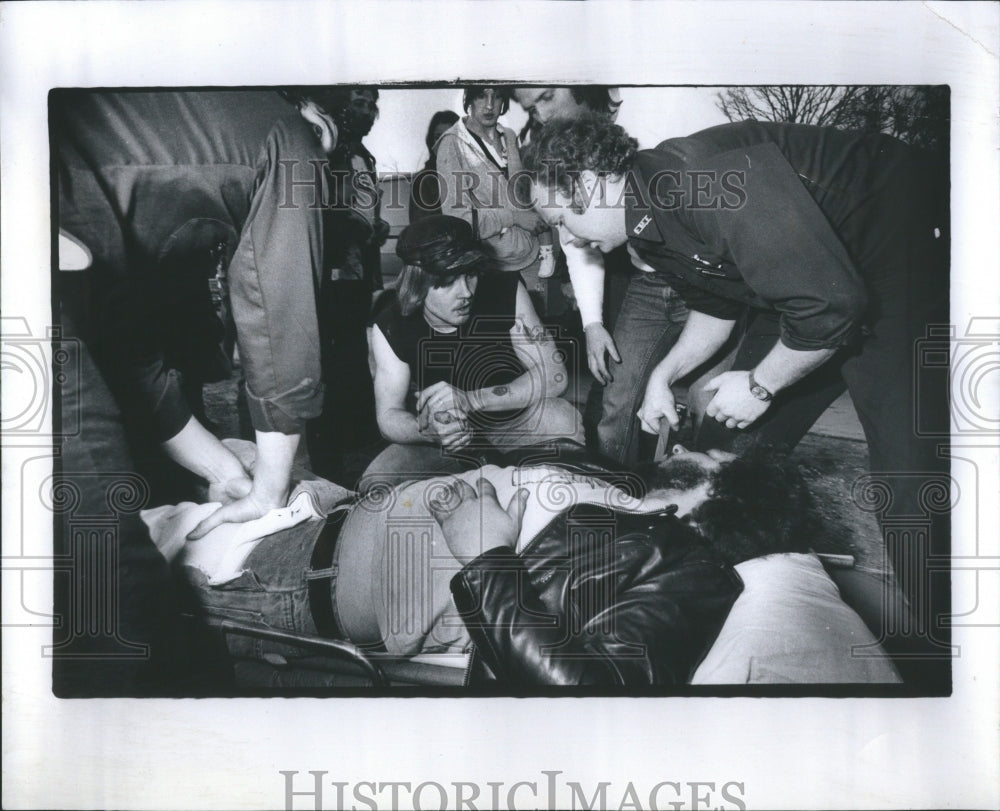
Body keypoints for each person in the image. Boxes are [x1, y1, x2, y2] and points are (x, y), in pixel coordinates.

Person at [523, 113, 951, 689]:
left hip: (892, 257)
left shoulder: (701, 180)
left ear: (594, 180)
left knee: (907, 486)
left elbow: (834, 308)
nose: (566, 240)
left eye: (562, 219)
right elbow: (718, 308)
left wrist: (761, 383)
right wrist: (664, 375)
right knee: (720, 455)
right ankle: (717, 601)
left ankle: (943, 661)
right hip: (818, 292)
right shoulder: (646, 225)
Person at [167, 440, 901, 687]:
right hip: (324, 520)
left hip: (296, 581)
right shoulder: (646, 514)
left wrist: (486, 551)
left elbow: (587, 691)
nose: (700, 449)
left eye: (714, 459)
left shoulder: (692, 572)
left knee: (119, 563)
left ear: (728, 496)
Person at [52, 89, 335, 694]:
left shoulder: (152, 115)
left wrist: (227, 473)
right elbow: (279, 318)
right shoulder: (290, 135)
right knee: (113, 587)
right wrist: (268, 490)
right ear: (317, 113)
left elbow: (133, 361)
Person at [513, 86, 703, 467]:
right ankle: (610, 495)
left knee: (704, 402)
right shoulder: (552, 159)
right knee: (617, 392)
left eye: (547, 97)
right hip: (648, 284)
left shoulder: (665, 170)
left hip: (700, 287)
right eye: (530, 108)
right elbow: (577, 236)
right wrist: (593, 323)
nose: (541, 115)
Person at [362, 215, 583, 492]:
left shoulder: (505, 289)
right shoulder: (390, 324)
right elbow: (388, 416)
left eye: (470, 275)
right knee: (376, 482)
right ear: (417, 284)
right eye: (448, 281)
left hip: (513, 421)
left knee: (562, 420)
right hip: (448, 440)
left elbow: (555, 376)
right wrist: (429, 431)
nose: (465, 292)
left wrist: (471, 400)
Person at [300, 86, 390, 484]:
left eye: (372, 105)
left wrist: (373, 227)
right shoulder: (327, 150)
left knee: (353, 358)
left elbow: (363, 212)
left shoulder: (361, 155)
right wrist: (357, 228)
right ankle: (329, 461)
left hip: (355, 275)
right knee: (332, 365)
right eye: (359, 103)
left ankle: (355, 448)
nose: (367, 111)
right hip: (331, 276)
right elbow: (322, 213)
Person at [435, 86, 554, 300]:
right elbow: (458, 221)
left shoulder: (509, 136)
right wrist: (515, 217)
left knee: (535, 328)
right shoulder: (452, 143)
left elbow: (522, 194)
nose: (490, 105)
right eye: (481, 96)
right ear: (468, 99)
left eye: (497, 96)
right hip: (489, 265)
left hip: (532, 257)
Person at [409, 109, 460, 223]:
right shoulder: (424, 180)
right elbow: (424, 228)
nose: (443, 143)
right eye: (438, 137)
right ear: (431, 141)